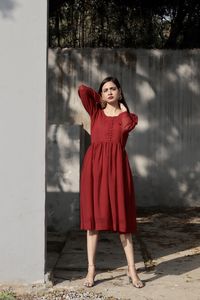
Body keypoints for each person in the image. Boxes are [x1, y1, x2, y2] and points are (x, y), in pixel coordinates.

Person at [78, 76, 144, 288]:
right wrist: (100, 100)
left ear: (120, 92)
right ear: (101, 94)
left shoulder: (128, 117)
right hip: (94, 171)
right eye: (105, 89)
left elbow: (126, 127)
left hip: (117, 171)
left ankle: (132, 270)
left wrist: (122, 110)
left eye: (113, 88)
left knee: (124, 224)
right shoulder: (96, 112)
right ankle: (91, 269)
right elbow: (82, 90)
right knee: (93, 223)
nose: (109, 92)